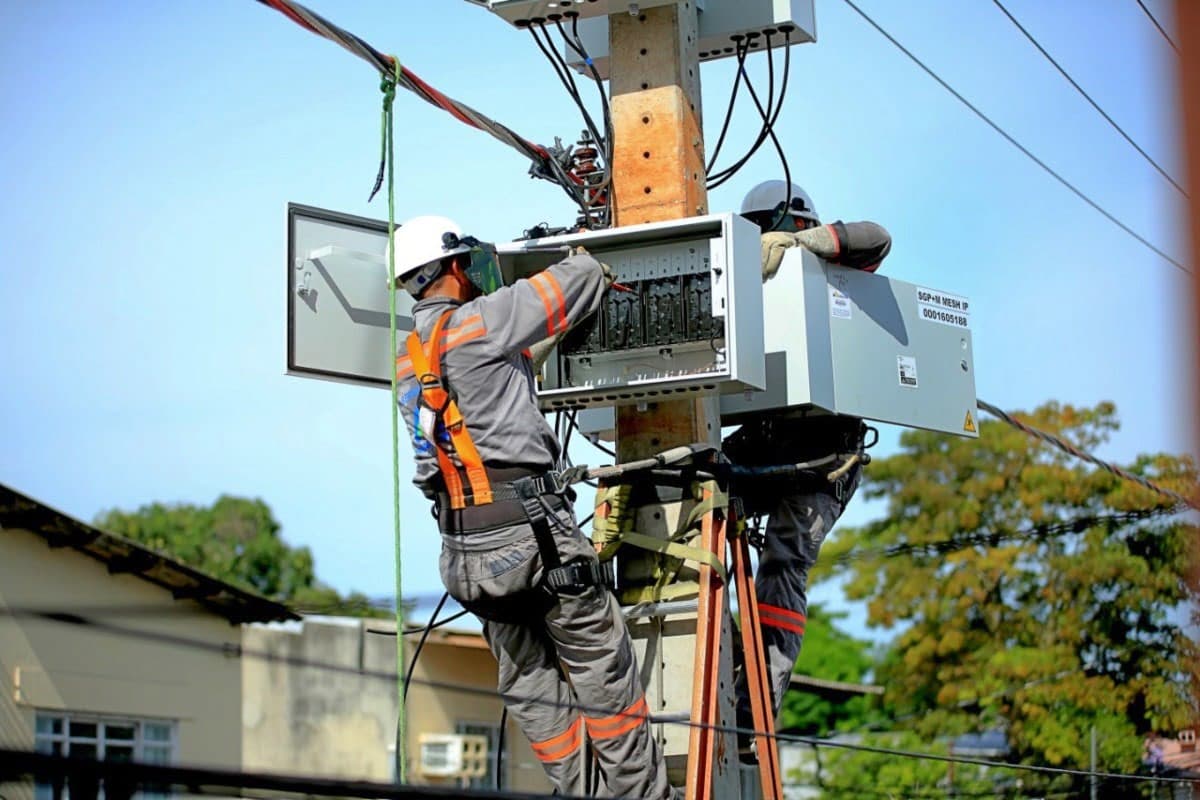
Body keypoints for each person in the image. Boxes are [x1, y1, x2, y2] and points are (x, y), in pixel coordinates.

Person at [391, 215, 677, 800]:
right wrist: (587, 252)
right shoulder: (484, 321)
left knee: (530, 687)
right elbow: (578, 277)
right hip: (532, 534)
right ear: (452, 266)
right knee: (603, 671)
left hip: (464, 555)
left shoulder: (407, 359)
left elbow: (464, 415)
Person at [726, 180, 892, 739]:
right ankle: (713, 665)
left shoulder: (836, 271)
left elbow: (876, 237)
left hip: (825, 454)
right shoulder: (745, 278)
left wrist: (806, 246)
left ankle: (756, 705)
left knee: (782, 560)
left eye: (771, 231)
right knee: (686, 502)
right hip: (766, 439)